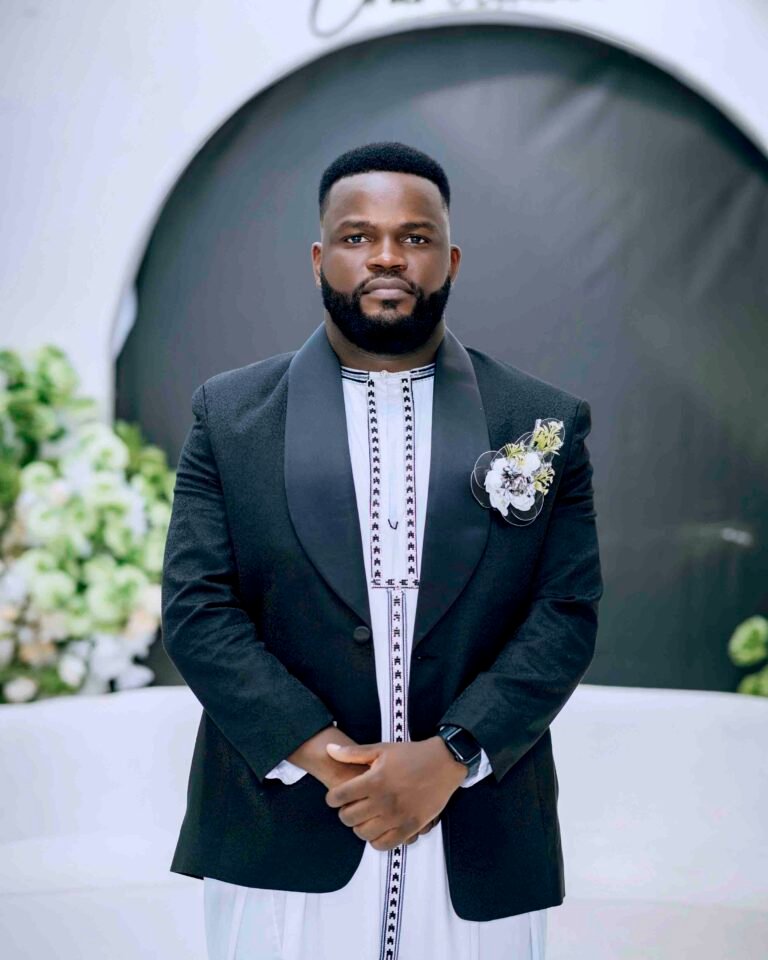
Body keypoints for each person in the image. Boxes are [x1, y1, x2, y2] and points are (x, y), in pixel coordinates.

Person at [161, 141, 603, 960]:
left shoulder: (541, 423)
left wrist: (450, 758)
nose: (387, 256)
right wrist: (334, 761)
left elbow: (565, 615)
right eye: (358, 236)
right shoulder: (230, 417)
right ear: (319, 258)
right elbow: (198, 610)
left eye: (415, 236)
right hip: (284, 824)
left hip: (479, 828)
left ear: (451, 259)